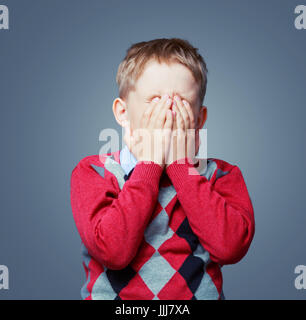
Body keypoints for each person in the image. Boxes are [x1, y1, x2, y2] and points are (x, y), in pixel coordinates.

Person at [70, 38, 255, 300]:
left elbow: (230, 249)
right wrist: (149, 165)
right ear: (123, 113)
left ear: (199, 119)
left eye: (181, 103)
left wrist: (181, 167)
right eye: (155, 101)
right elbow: (113, 252)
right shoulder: (95, 172)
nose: (168, 113)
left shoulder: (221, 175)